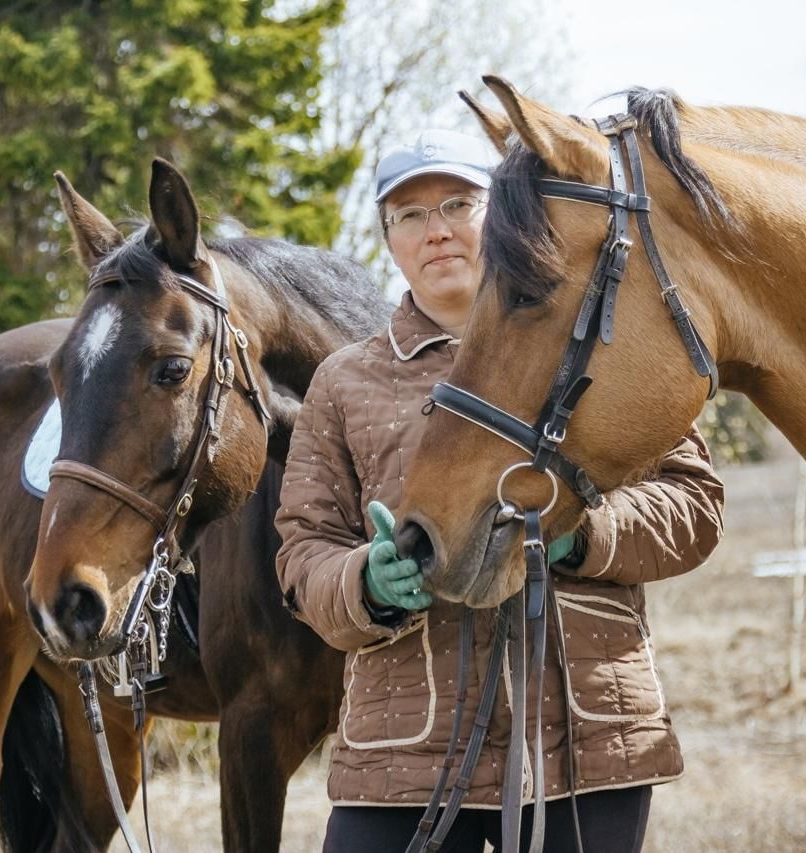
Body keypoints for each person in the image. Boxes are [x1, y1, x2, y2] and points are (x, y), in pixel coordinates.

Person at [274, 129, 724, 852]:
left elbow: (695, 504)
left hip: (584, 743)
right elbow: (302, 552)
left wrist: (584, 533)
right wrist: (366, 582)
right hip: (403, 752)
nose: (438, 229)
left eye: (458, 202)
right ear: (388, 237)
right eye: (410, 215)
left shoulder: (593, 341)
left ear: (502, 214)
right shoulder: (343, 381)